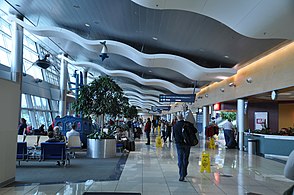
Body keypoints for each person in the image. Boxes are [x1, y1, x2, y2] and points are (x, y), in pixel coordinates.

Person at [173, 114, 195, 182]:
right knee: (185, 158)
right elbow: (195, 131)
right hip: (187, 144)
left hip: (179, 144)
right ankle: (184, 172)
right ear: (183, 118)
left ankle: (181, 174)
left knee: (180, 158)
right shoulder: (187, 124)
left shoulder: (175, 126)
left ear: (177, 118)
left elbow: (174, 135)